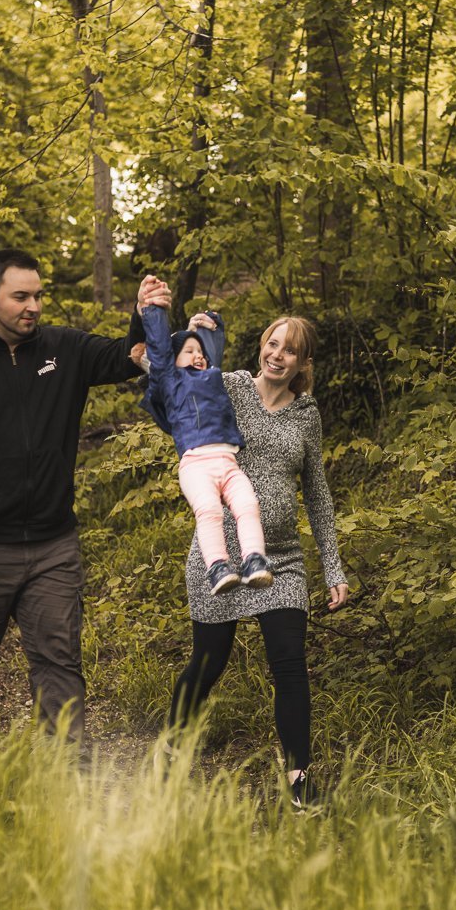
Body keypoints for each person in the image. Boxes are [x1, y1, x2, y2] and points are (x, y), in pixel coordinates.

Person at [0, 247, 171, 737]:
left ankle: (69, 790)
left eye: (38, 296)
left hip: (52, 546)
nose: (33, 306)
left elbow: (125, 359)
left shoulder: (64, 350)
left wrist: (144, 315)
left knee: (60, 668)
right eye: (21, 296)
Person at [166, 312, 350, 807]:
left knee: (289, 663)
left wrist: (333, 567)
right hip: (220, 553)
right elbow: (177, 383)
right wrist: (191, 334)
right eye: (272, 343)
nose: (277, 354)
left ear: (302, 362)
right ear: (262, 346)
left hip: (282, 560)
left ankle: (298, 775)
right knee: (208, 662)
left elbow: (318, 494)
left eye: (289, 350)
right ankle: (171, 746)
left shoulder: (305, 413)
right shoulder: (227, 386)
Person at [138, 304, 273, 595]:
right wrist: (154, 309)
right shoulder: (171, 381)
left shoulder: (211, 376)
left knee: (248, 505)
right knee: (210, 510)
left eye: (199, 351)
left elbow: (211, 343)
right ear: (172, 360)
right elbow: (160, 349)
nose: (197, 355)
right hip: (196, 465)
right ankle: (217, 567)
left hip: (228, 463)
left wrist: (209, 321)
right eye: (188, 351)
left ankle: (254, 560)